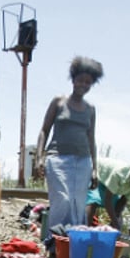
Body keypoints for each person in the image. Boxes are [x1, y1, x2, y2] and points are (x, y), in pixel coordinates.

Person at [35, 56, 104, 235]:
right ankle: (54, 242)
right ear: (73, 80)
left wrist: (95, 169)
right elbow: (44, 130)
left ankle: (72, 242)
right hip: (57, 158)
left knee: (78, 204)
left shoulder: (91, 109)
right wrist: (39, 157)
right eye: (80, 80)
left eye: (88, 82)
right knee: (62, 200)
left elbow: (91, 139)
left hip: (83, 161)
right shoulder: (59, 102)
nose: (83, 84)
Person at [86, 159, 130, 230]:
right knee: (93, 201)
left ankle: (109, 237)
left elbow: (122, 202)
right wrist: (115, 222)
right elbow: (107, 200)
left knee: (117, 218)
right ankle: (84, 231)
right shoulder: (119, 173)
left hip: (110, 187)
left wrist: (115, 223)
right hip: (98, 176)